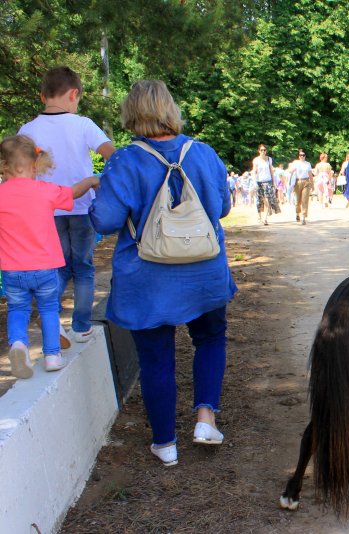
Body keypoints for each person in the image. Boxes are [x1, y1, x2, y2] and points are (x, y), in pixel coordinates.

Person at [89, 80, 237, 467]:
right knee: (211, 338)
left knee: (155, 358)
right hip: (204, 271)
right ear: (170, 109)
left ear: (131, 112)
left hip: (147, 280)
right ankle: (206, 418)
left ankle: (165, 443)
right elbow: (221, 208)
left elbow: (105, 221)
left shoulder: (124, 160)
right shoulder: (203, 153)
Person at [18, 66, 115, 346]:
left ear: (42, 97)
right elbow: (113, 156)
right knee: (83, 267)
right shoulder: (83, 124)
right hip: (82, 206)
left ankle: (52, 320)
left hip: (45, 211)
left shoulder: (27, 130)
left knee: (57, 268)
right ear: (74, 94)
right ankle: (81, 326)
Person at [0, 136, 100, 377]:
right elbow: (74, 192)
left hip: (12, 269)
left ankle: (19, 344)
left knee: (18, 309)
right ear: (35, 165)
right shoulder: (45, 191)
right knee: (48, 309)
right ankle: (52, 356)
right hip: (45, 267)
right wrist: (91, 180)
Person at [251, 144, 281, 225]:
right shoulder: (256, 160)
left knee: (267, 200)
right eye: (261, 150)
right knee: (259, 201)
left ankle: (265, 219)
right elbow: (254, 171)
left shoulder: (269, 159)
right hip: (259, 182)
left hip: (268, 181)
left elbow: (271, 170)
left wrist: (274, 182)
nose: (263, 151)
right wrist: (254, 182)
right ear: (259, 151)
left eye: (264, 150)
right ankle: (259, 216)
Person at [290, 149, 312, 224]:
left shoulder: (308, 164)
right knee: (297, 201)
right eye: (300, 155)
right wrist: (292, 170)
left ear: (305, 156)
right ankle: (297, 213)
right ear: (298, 156)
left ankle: (303, 217)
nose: (302, 156)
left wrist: (312, 184)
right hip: (297, 181)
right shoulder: (296, 163)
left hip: (306, 181)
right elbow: (290, 171)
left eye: (303, 155)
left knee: (305, 200)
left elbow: (310, 174)